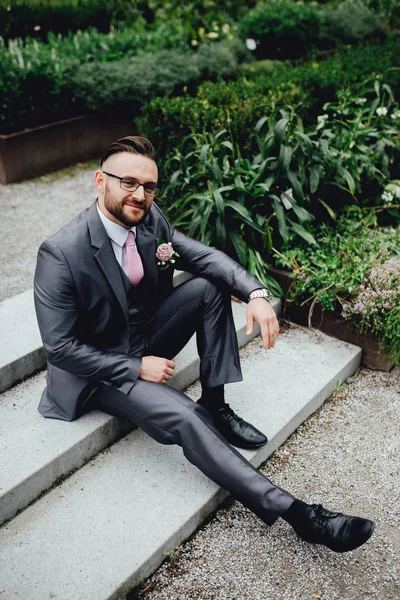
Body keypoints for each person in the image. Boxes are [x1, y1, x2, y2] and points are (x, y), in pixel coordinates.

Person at [34, 135, 374, 553]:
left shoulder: (149, 219)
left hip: (140, 337)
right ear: (100, 180)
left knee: (209, 288)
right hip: (99, 368)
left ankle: (215, 401)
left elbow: (203, 256)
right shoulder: (61, 253)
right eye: (128, 183)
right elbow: (60, 348)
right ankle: (300, 515)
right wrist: (135, 368)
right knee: (184, 416)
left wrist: (255, 293)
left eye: (149, 186)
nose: (140, 195)